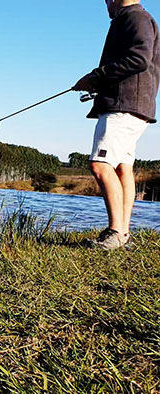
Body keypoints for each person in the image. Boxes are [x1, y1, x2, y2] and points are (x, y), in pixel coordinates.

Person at [73, 0, 160, 249]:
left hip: (123, 106)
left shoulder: (134, 19)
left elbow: (139, 58)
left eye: (107, 0)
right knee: (122, 168)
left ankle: (116, 232)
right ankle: (123, 233)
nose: (106, 5)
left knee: (100, 165)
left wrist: (95, 77)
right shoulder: (140, 18)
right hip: (136, 106)